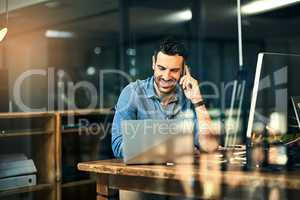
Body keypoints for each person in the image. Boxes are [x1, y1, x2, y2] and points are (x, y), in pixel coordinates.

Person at [111, 37, 219, 159]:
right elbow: (118, 146)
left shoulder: (188, 97)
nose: (166, 77)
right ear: (153, 63)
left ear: (183, 70)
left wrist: (197, 101)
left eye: (174, 70)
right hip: (143, 176)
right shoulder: (132, 93)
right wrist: (175, 149)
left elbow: (210, 146)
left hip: (182, 175)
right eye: (161, 68)